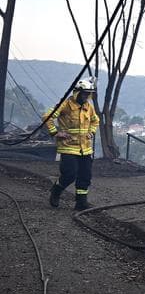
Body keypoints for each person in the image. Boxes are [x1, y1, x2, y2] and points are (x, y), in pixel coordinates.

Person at [46, 79, 100, 210]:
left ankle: (81, 203)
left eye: (89, 94)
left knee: (85, 176)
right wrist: (55, 133)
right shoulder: (65, 105)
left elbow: (95, 121)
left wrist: (91, 133)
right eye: (84, 94)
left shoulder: (88, 107)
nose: (86, 96)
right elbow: (47, 116)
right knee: (70, 174)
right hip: (69, 147)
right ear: (77, 93)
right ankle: (56, 191)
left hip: (85, 149)